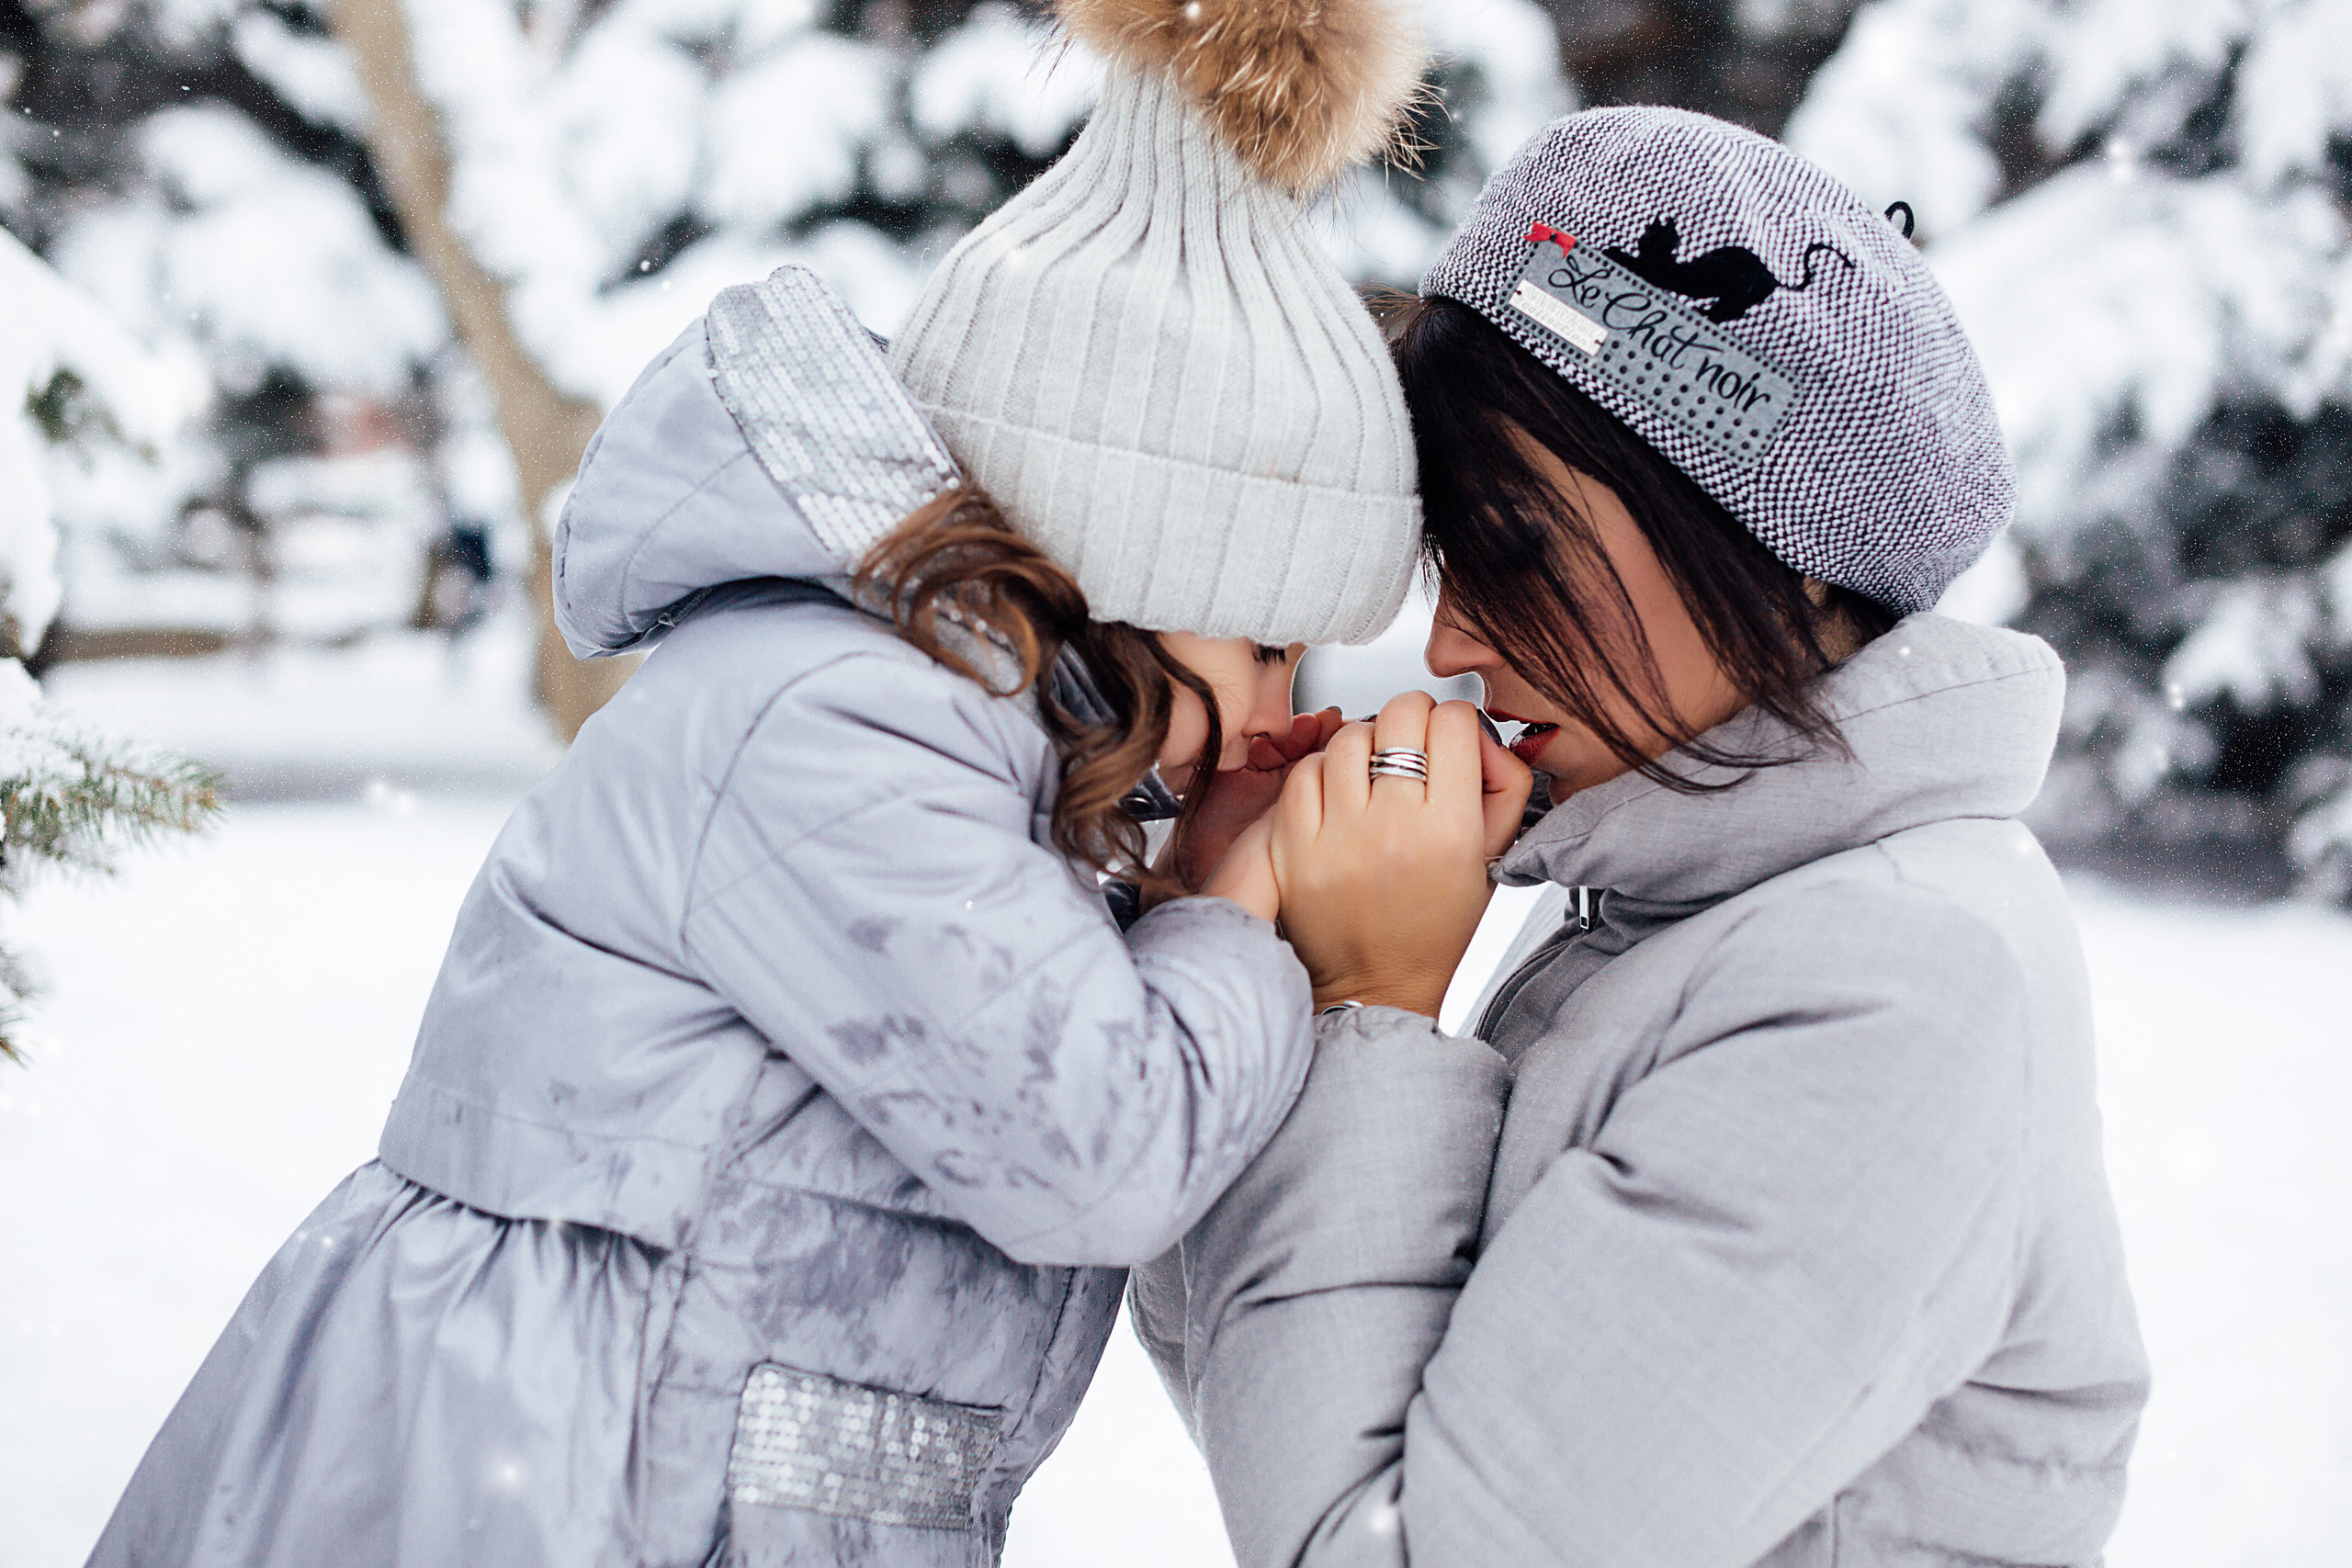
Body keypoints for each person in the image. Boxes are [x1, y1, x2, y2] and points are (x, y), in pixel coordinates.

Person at [85, 2, 1434, 1561]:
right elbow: (1095, 1150)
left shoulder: (970, 751)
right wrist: (1239, 912)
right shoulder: (838, 721)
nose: (1279, 708)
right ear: (1124, 558)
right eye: (1263, 644)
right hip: (537, 1482)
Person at [1134, 107, 2152, 1568]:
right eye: (1449, 556)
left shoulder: (1892, 989)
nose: (1454, 644)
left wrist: (1374, 1011)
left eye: (1518, 544)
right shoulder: (1693, 918)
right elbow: (1294, 1424)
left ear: (1782, 550)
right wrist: (1255, 956)